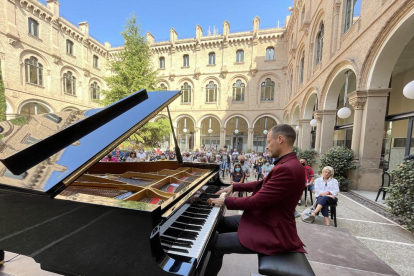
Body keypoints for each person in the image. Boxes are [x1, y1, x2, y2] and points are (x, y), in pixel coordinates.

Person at [205, 124, 306, 276]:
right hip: (266, 220)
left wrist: (225, 201)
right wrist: (233, 187)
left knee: (217, 244)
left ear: (280, 139)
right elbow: (261, 184)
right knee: (219, 222)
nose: (266, 146)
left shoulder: (288, 168)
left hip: (273, 231)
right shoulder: (287, 163)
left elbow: (257, 202)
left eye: (268, 141)